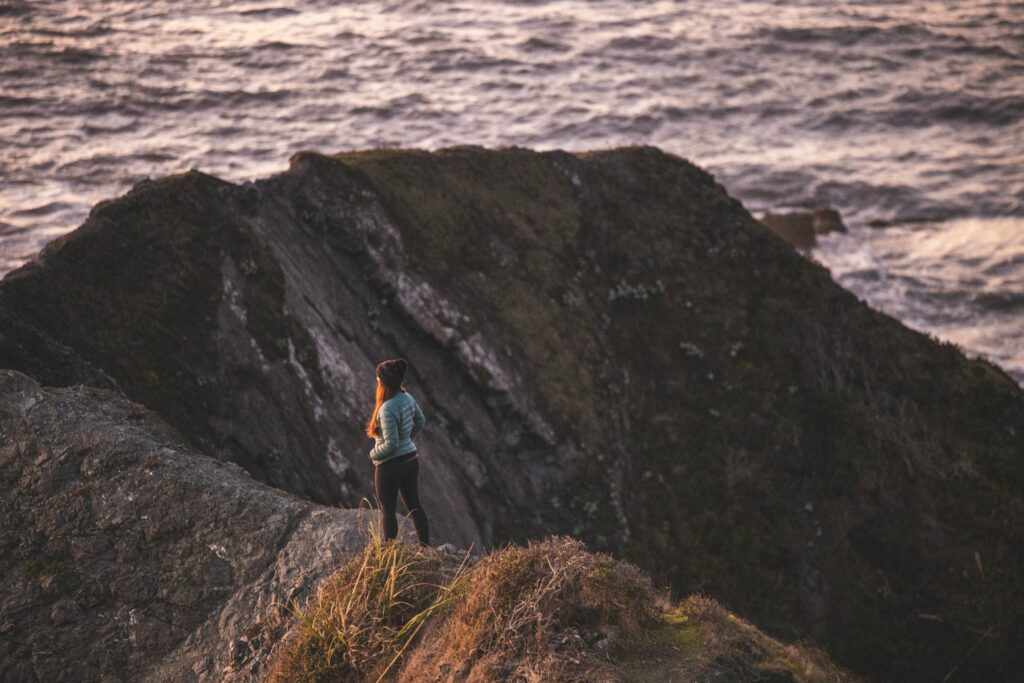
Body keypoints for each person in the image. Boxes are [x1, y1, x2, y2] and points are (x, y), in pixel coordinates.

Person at [366, 358, 430, 545]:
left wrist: (373, 455)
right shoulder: (407, 398)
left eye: (378, 379)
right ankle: (425, 548)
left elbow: (391, 444)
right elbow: (421, 421)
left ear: (383, 382)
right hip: (410, 460)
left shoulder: (386, 409)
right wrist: (407, 440)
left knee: (388, 511)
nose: (377, 381)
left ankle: (389, 556)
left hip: (390, 466)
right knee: (414, 505)